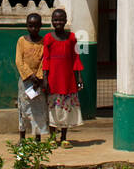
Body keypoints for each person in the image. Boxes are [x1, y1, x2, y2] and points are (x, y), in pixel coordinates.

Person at [42, 8, 84, 147]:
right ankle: (53, 138)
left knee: (66, 109)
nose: (58, 22)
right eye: (55, 20)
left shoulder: (72, 37)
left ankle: (64, 138)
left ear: (66, 21)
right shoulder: (48, 38)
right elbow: (46, 60)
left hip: (68, 80)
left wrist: (79, 77)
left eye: (61, 19)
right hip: (53, 80)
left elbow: (76, 58)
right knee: (53, 109)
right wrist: (45, 79)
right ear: (52, 21)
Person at [15, 13, 48, 142]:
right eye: (30, 26)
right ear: (27, 26)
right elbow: (19, 61)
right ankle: (22, 136)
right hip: (25, 81)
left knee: (38, 109)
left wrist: (39, 77)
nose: (33, 29)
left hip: (38, 82)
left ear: (40, 26)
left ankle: (37, 136)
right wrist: (30, 75)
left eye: (36, 26)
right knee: (23, 108)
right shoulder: (21, 41)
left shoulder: (44, 42)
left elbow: (45, 60)